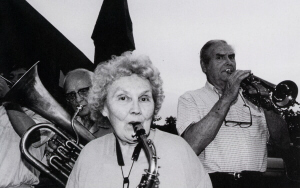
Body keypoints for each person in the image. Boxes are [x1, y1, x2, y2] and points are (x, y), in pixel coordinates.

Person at [66, 52, 212, 188]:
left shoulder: (180, 150)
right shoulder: (89, 154)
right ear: (104, 108)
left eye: (144, 98)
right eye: (123, 98)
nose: (136, 109)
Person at [176, 40, 293, 188]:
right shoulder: (190, 98)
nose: (228, 62)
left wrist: (268, 107)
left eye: (231, 57)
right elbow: (192, 145)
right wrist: (228, 96)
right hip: (213, 182)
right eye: (220, 57)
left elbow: (283, 143)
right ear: (204, 66)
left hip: (256, 182)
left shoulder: (254, 99)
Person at [0, 65, 51, 188]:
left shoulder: (44, 114)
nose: (13, 81)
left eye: (21, 76)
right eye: (11, 77)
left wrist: (8, 97)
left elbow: (31, 134)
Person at [63, 68, 112, 137]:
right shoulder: (65, 128)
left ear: (97, 90)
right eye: (71, 95)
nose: (78, 99)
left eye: (83, 91)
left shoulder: (114, 127)